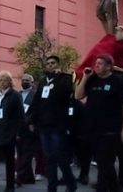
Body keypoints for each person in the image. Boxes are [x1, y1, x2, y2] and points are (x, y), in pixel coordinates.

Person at [75, 54, 123, 192]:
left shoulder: (117, 82)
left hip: (111, 129)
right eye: (96, 63)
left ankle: (103, 187)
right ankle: (114, 188)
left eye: (100, 63)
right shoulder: (92, 80)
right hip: (93, 129)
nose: (96, 65)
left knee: (104, 162)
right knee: (104, 163)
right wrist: (85, 77)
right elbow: (78, 95)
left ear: (109, 66)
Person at [27, 56, 77, 192]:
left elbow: (67, 93)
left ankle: (71, 183)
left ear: (58, 64)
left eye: (53, 63)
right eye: (48, 63)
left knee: (59, 156)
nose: (50, 65)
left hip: (58, 125)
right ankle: (52, 187)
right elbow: (37, 101)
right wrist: (31, 119)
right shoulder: (43, 81)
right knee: (49, 157)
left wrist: (58, 76)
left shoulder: (65, 79)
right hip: (44, 126)